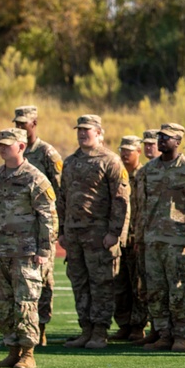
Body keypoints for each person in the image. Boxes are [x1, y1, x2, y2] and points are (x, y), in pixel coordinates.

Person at [0, 128, 58, 368]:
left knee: (26, 304)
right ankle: (12, 349)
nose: (2, 148)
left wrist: (44, 251)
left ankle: (28, 352)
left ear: (21, 146)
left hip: (27, 252)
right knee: (4, 305)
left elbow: (48, 217)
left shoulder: (35, 178)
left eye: (8, 144)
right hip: (3, 252)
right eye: (0, 145)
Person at [58, 115, 130, 350]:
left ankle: (100, 331)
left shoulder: (111, 161)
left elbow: (120, 200)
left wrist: (114, 232)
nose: (82, 133)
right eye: (79, 130)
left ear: (99, 133)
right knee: (79, 283)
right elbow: (62, 198)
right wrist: (61, 230)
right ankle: (85, 330)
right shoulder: (69, 162)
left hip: (99, 235)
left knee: (101, 283)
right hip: (74, 234)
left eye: (87, 130)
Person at [136, 124, 185, 352]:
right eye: (159, 137)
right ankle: (163, 334)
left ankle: (181, 336)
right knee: (156, 291)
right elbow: (140, 206)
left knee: (178, 291)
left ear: (178, 141)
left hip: (178, 242)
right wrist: (140, 236)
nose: (161, 141)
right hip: (152, 240)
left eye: (166, 138)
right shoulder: (148, 170)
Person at [14, 105, 63, 345]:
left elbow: (60, 193)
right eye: (17, 123)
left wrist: (57, 229)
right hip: (19, 232)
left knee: (43, 280)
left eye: (24, 123)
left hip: (41, 229)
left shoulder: (47, 153)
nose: (20, 126)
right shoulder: (16, 154)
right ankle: (22, 329)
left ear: (34, 124)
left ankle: (41, 327)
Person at [112, 135, 146, 341]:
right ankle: (124, 323)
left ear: (138, 152)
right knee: (120, 284)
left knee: (138, 284)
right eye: (122, 150)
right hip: (120, 237)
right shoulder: (118, 175)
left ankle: (138, 325)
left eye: (129, 151)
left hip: (137, 237)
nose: (125, 154)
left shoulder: (144, 175)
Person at [131, 129, 160, 345]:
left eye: (153, 143)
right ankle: (156, 328)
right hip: (146, 236)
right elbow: (138, 207)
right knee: (149, 286)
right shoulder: (145, 172)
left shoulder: (183, 169)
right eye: (147, 144)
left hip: (169, 238)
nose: (150, 147)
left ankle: (173, 332)